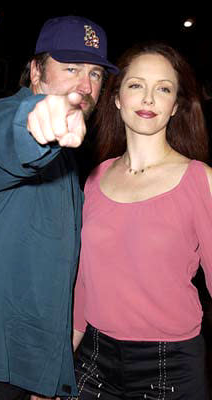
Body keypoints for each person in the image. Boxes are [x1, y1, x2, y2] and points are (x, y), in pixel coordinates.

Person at [0, 16, 118, 400]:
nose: (85, 85)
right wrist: (38, 122)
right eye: (71, 68)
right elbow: (14, 132)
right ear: (34, 71)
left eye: (95, 74)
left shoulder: (67, 160)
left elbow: (53, 273)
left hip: (16, 367)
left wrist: (47, 373)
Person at [72, 42, 212, 399]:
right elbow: (83, 284)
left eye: (163, 88)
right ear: (117, 98)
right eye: (136, 85)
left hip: (171, 364)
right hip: (93, 357)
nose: (148, 98)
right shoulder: (94, 179)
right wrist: (57, 365)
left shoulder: (201, 181)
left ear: (176, 105)